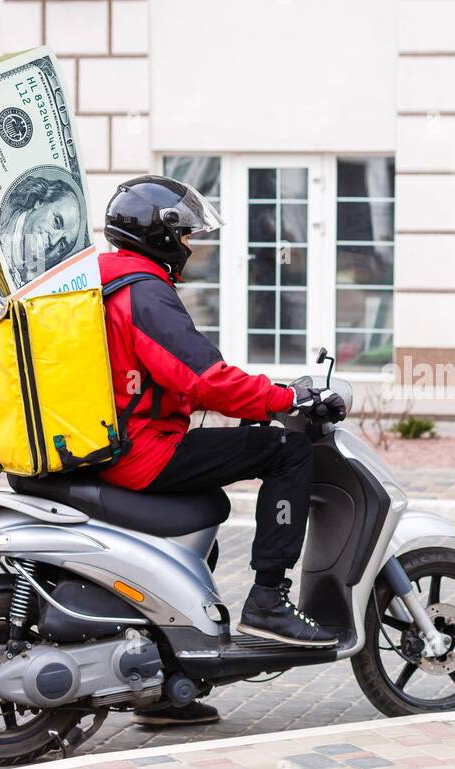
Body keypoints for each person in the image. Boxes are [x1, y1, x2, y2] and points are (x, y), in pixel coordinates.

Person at [97, 175, 345, 727]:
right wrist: (283, 399)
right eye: (184, 236)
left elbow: (175, 378)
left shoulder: (108, 281)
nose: (189, 246)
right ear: (158, 236)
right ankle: (268, 602)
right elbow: (202, 377)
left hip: (119, 444)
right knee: (284, 450)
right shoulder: (144, 290)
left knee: (205, 505)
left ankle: (163, 682)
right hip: (142, 451)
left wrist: (255, 395)